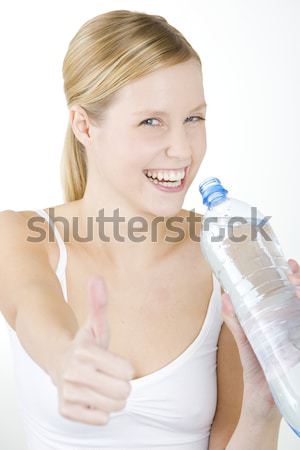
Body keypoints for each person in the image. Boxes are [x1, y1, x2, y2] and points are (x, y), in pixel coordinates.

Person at [0, 9, 299, 450]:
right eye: (151, 121)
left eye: (194, 118)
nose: (182, 151)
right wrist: (65, 357)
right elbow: (31, 307)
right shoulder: (24, 235)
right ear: (84, 125)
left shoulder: (228, 254)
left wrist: (264, 403)